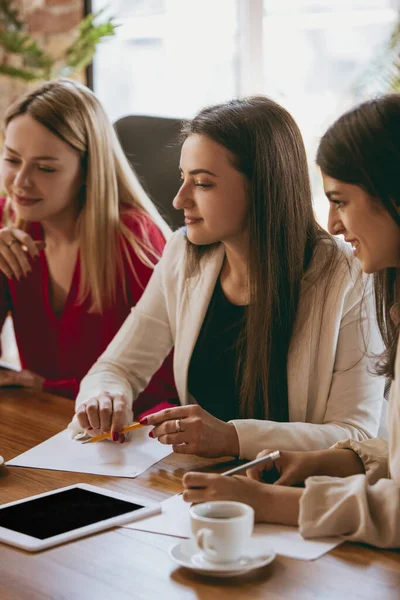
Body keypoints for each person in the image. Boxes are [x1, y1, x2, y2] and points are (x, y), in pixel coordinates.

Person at [74, 95, 384, 454]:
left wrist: (232, 438)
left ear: (264, 187)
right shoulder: (183, 254)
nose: (179, 199)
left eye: (203, 184)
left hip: (304, 494)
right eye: (182, 178)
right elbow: (118, 367)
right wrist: (105, 394)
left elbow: (356, 435)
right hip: (204, 485)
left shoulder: (348, 274)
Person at [182, 94, 400, 548]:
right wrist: (333, 462)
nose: (333, 224)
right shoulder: (391, 295)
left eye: (340, 200)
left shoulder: (343, 276)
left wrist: (267, 502)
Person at [0, 79, 177, 434]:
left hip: (123, 438)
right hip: (44, 425)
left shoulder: (133, 241)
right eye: (11, 159)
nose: (20, 182)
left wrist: (47, 387)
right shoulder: (9, 223)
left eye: (45, 168)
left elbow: (162, 386)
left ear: (87, 171)